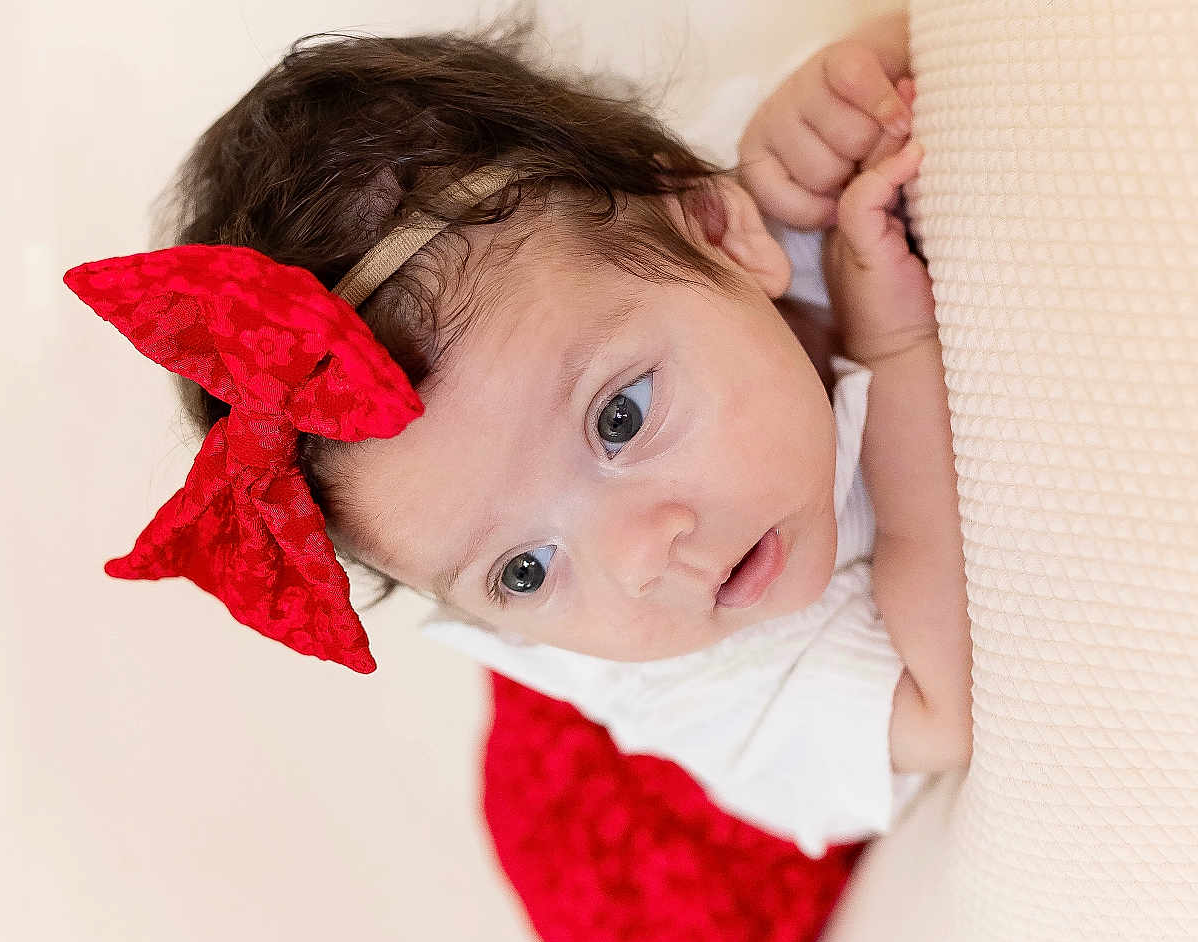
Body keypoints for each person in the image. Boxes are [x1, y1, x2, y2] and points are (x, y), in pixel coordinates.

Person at [68, 5, 971, 856]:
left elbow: (958, 49)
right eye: (522, 571)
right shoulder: (688, 680)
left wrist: (846, 94)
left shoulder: (775, 203)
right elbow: (949, 704)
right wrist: (895, 352)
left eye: (621, 418)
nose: (642, 557)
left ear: (717, 228)